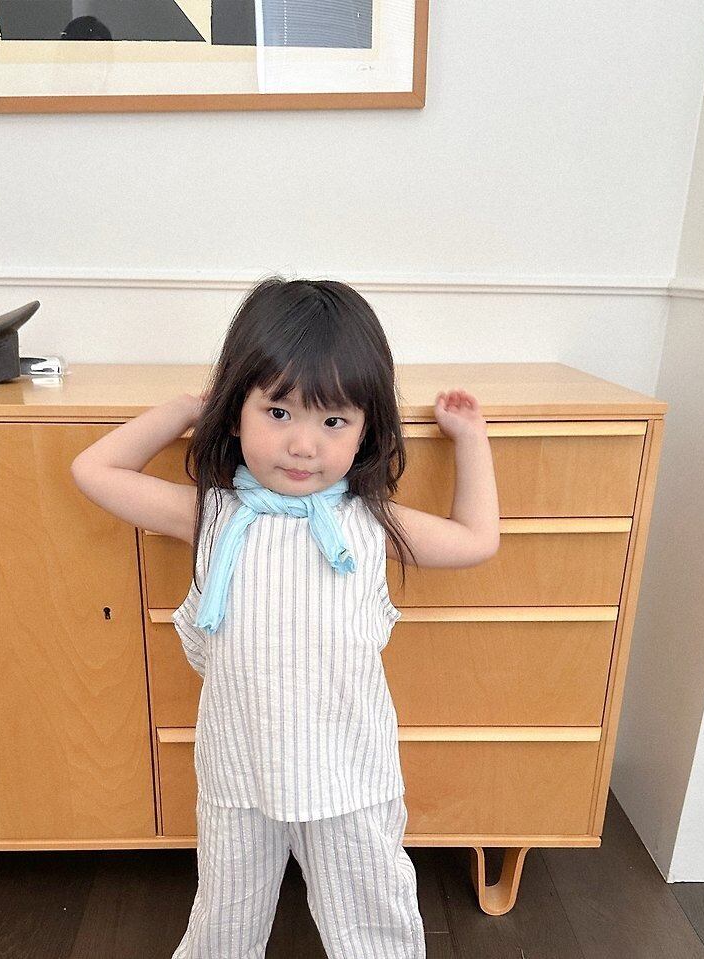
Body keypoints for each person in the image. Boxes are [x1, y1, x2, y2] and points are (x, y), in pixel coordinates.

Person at [70, 275, 500, 959]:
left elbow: (476, 539)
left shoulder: (369, 524)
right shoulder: (212, 515)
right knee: (224, 923)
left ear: (366, 429)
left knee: (375, 926)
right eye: (278, 412)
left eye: (333, 422)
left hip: (349, 776)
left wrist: (471, 439)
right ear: (235, 412)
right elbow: (94, 470)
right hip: (239, 774)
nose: (303, 444)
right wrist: (183, 408)